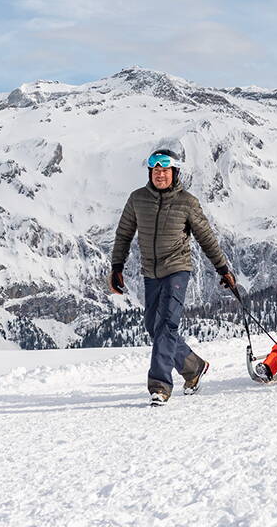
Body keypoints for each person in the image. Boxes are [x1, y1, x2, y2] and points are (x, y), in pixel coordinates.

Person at [110, 148, 236, 405]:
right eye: (155, 170)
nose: (160, 174)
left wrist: (223, 269)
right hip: (150, 272)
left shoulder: (187, 202)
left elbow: (206, 238)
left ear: (174, 173)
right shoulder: (137, 199)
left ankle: (160, 385)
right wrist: (116, 267)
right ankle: (193, 367)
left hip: (178, 269)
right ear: (150, 172)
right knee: (152, 327)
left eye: (165, 170)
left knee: (167, 325)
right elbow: (124, 235)